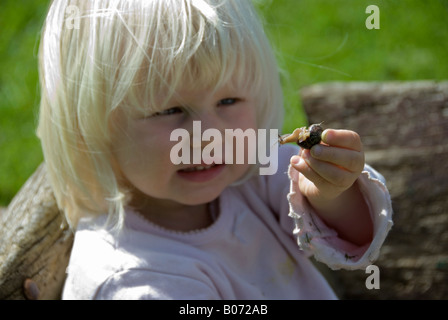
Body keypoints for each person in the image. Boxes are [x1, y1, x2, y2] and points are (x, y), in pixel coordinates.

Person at [37, 0, 392, 299]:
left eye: (228, 100)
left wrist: (331, 191)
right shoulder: (136, 281)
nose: (208, 136)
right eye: (169, 110)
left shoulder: (250, 169)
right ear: (92, 125)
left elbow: (354, 234)